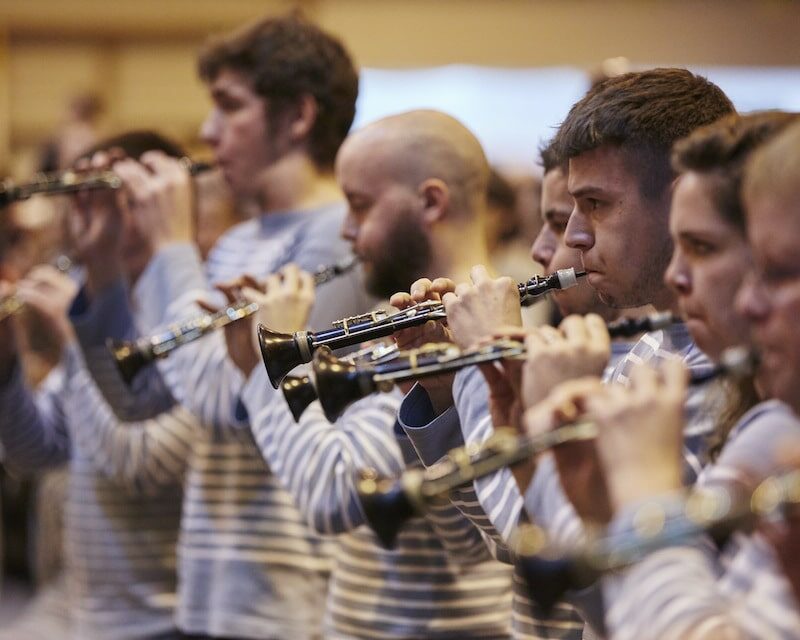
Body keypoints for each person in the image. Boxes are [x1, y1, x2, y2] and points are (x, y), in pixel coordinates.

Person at [392, 68, 736, 635]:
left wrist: (487, 359)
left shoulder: (704, 365)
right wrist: (447, 389)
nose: (571, 239)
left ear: (680, 205)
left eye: (594, 204)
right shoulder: (652, 343)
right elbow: (522, 530)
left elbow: (580, 560)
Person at [94, 13, 372, 639]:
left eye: (229, 107)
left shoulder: (335, 237)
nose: (207, 131)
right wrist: (109, 263)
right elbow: (149, 395)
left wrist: (172, 248)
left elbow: (231, 403)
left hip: (286, 601)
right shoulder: (239, 240)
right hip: (213, 588)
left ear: (298, 116)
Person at [222, 109, 515, 639]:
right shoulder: (401, 317)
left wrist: (259, 369)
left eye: (360, 204)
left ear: (430, 202)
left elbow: (331, 493)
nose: (346, 229)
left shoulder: (467, 336)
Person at [523, 111, 800, 639]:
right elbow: (615, 613)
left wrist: (645, 499)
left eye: (780, 272)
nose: (750, 300)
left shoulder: (766, 426)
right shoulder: (660, 354)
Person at [0, 131, 194, 640]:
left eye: (99, 196)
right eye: (76, 197)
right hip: (92, 612)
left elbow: (136, 459)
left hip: (165, 619)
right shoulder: (94, 309)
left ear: (151, 204)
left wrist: (75, 336)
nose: (77, 215)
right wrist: (5, 359)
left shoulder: (187, 312)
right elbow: (37, 450)